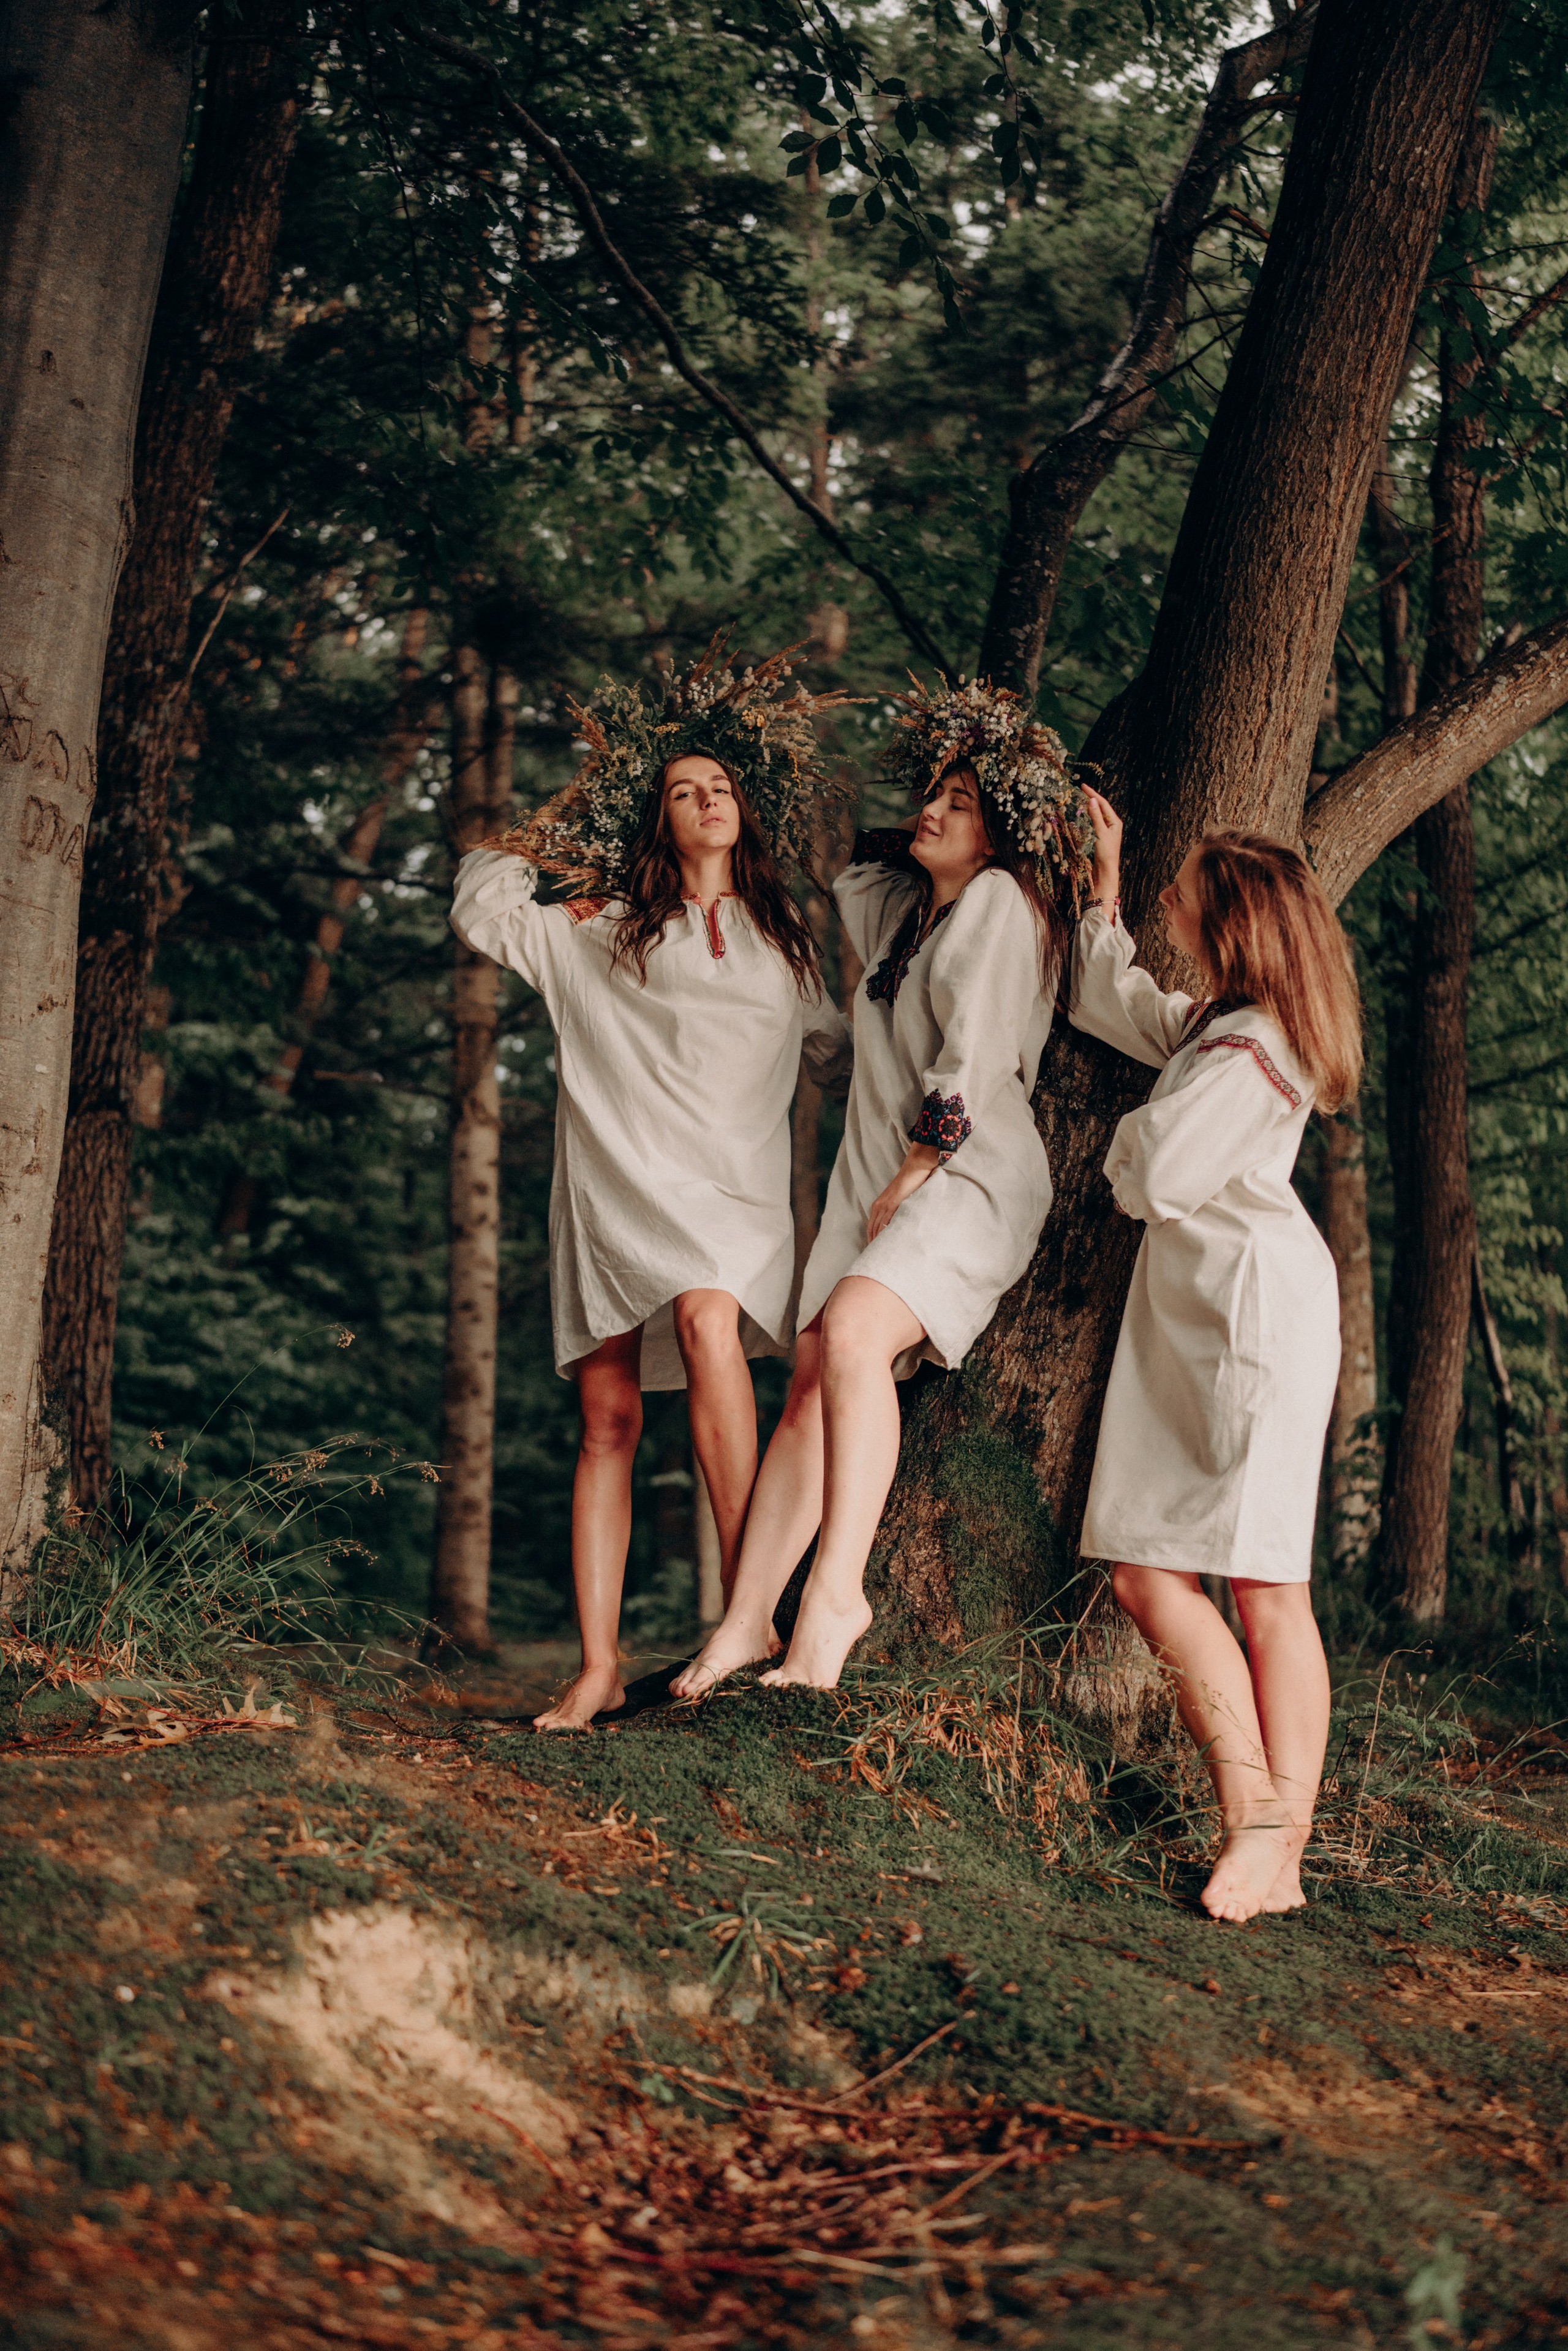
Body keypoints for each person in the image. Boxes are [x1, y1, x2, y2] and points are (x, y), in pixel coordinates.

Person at [451, 647, 853, 1730]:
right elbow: (484, 905)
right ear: (658, 819)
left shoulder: (786, 942)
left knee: (713, 1323)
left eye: (719, 784)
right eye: (680, 789)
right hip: (622, 1179)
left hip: (737, 1193)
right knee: (609, 1416)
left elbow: (843, 1060)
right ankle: (594, 1665)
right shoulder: (605, 927)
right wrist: (566, 817)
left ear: (744, 811)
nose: (705, 798)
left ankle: (748, 1611)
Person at [673, 678, 1092, 1700]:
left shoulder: (997, 904)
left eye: (959, 804)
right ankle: (743, 1620)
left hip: (966, 1173)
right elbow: (866, 866)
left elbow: (978, 1052)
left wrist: (918, 1166)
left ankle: (838, 1599)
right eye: (933, 795)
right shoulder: (910, 917)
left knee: (854, 1339)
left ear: (998, 839)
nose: (933, 813)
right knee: (813, 1372)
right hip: (882, 1176)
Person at [1071, 791, 1362, 1925]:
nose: (1167, 903)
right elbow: (1119, 1001)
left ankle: (1271, 1833)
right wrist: (1101, 887)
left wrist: (1126, 1137)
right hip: (1199, 1322)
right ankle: (1263, 1821)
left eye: (1183, 891)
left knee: (1265, 1585)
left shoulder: (1255, 1045)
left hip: (1250, 1322)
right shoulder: (1221, 1027)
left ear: (1233, 918)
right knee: (1152, 1571)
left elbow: (1157, 1176)